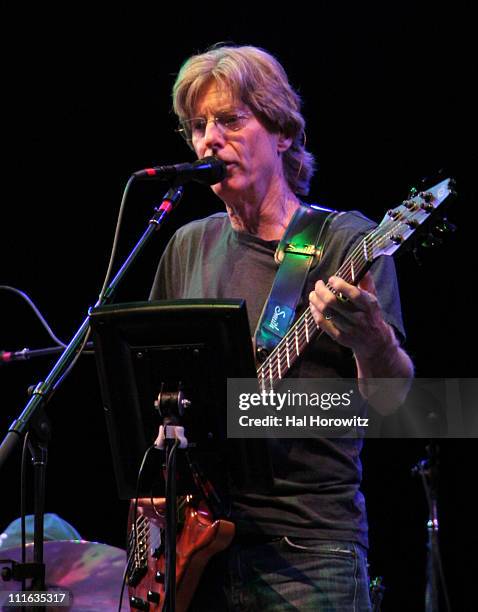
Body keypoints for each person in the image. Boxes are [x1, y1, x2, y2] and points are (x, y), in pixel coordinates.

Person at [150, 44, 414, 611]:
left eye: (229, 120)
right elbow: (157, 391)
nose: (208, 140)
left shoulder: (346, 242)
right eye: (198, 126)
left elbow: (394, 403)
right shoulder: (186, 246)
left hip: (310, 552)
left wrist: (373, 340)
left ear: (283, 133)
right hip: (198, 547)